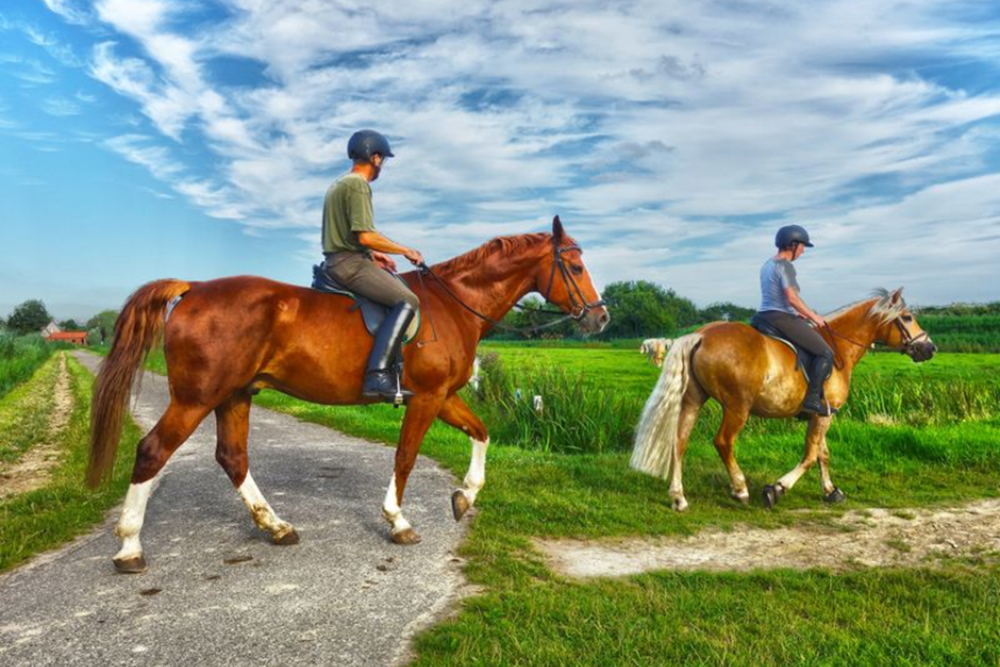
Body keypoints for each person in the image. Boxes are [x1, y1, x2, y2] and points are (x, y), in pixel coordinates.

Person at [322, 129, 423, 402]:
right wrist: (405, 250)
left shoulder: (338, 184)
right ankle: (378, 374)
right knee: (408, 299)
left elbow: (351, 236)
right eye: (382, 160)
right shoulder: (358, 185)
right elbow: (365, 234)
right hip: (349, 264)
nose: (382, 166)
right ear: (374, 157)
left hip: (340, 258)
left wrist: (373, 254)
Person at [756, 224, 835, 415]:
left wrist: (798, 312)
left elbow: (777, 297)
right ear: (793, 245)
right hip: (781, 318)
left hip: (762, 316)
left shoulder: (767, 264)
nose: (803, 251)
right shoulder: (786, 266)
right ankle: (812, 400)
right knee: (826, 353)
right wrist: (813, 316)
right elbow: (791, 298)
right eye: (802, 246)